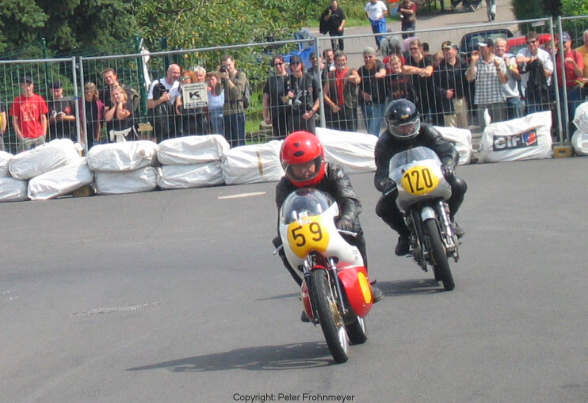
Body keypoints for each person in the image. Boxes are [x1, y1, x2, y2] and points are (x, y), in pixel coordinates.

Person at [274, 131, 383, 310]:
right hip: (303, 227)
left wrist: (346, 218)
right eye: (297, 167)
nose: (303, 170)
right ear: (287, 168)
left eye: (308, 164)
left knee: (355, 229)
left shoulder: (333, 172)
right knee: (280, 244)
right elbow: (282, 217)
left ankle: (365, 280)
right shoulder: (284, 186)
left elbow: (350, 199)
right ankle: (309, 290)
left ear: (318, 160)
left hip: (335, 221)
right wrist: (283, 237)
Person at [374, 99, 467, 256]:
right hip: (403, 183)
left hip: (433, 176)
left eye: (410, 125)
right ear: (391, 127)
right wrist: (385, 184)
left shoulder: (427, 131)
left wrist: (448, 164)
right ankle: (404, 235)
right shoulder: (384, 143)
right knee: (382, 207)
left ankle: (450, 219)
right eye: (401, 128)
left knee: (459, 184)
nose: (406, 130)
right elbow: (381, 173)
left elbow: (447, 150)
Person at [466, 39, 508, 132]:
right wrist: (472, 62)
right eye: (480, 47)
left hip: (497, 100)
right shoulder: (477, 62)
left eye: (483, 47)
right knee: (484, 131)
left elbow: (504, 80)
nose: (480, 49)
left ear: (490, 48)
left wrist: (498, 67)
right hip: (482, 102)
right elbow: (469, 78)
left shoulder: (499, 61)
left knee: (499, 129)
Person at [433, 41, 470, 128]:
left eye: (448, 49)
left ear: (455, 51)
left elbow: (470, 79)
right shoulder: (439, 68)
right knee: (452, 130)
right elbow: (434, 87)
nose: (446, 52)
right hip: (448, 102)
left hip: (462, 100)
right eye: (444, 50)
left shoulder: (463, 64)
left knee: (464, 128)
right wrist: (444, 93)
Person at [554, 32, 584, 139]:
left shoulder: (576, 55)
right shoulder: (556, 56)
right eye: (560, 43)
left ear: (570, 42)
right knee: (563, 116)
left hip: (574, 90)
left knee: (575, 116)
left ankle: (578, 138)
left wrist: (573, 63)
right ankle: (566, 137)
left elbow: (580, 73)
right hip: (561, 90)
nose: (563, 45)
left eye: (565, 42)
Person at [516, 31, 554, 115]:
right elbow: (518, 60)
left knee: (544, 114)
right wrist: (531, 60)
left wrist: (539, 65)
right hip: (529, 89)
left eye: (533, 41)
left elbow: (549, 72)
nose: (531, 44)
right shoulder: (523, 51)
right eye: (528, 42)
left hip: (543, 89)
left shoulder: (545, 54)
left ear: (538, 42)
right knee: (531, 115)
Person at [323, 51, 361, 132]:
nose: (341, 62)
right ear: (335, 61)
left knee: (352, 132)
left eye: (343, 60)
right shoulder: (330, 75)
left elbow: (358, 79)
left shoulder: (351, 71)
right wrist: (332, 105)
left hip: (350, 107)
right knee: (339, 133)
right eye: (339, 60)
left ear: (346, 60)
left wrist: (349, 78)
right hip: (337, 108)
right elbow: (324, 94)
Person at [9, 76, 48, 153]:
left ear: (33, 85)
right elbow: (14, 120)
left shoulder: (39, 99)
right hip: (25, 137)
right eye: (24, 85)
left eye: (29, 85)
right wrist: (20, 136)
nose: (27, 88)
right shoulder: (17, 101)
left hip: (39, 135)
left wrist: (44, 134)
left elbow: (43, 118)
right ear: (21, 86)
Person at [403, 39, 437, 125]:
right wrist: (421, 71)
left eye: (415, 48)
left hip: (430, 91)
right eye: (411, 49)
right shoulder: (409, 59)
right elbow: (404, 70)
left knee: (435, 119)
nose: (413, 51)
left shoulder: (427, 59)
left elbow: (429, 72)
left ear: (420, 49)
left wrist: (414, 70)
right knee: (419, 120)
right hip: (417, 93)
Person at [285, 55, 320, 134]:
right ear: (290, 66)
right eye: (293, 63)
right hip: (293, 115)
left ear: (301, 64)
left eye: (297, 63)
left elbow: (319, 98)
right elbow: (283, 99)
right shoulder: (287, 80)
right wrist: (288, 96)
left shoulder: (310, 78)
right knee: (296, 139)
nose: (295, 65)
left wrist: (312, 112)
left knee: (310, 137)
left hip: (308, 113)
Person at [219, 55, 248, 147]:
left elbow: (237, 93)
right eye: (225, 66)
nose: (227, 68)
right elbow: (217, 92)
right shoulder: (223, 77)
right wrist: (219, 77)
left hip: (237, 111)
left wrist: (227, 79)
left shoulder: (240, 75)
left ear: (233, 62)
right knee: (228, 142)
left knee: (239, 141)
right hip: (226, 112)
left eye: (229, 65)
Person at [147, 64, 182, 141]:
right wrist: (161, 99)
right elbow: (148, 104)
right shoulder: (156, 84)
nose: (176, 75)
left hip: (174, 121)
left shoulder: (179, 85)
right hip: (160, 122)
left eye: (178, 73)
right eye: (174, 72)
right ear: (168, 72)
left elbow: (178, 103)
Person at [358, 47, 387, 136]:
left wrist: (381, 74)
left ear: (375, 56)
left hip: (378, 102)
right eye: (366, 57)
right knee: (370, 129)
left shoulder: (379, 65)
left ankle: (374, 147)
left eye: (370, 57)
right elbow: (358, 86)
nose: (368, 59)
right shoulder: (361, 70)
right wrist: (362, 94)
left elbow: (383, 71)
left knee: (372, 130)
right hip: (366, 104)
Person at [494, 37, 523, 120]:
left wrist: (509, 66)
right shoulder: (492, 60)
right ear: (493, 48)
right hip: (498, 98)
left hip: (512, 96)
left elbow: (518, 76)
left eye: (502, 46)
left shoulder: (511, 58)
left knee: (516, 124)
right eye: (497, 46)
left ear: (506, 48)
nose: (500, 48)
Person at [176, 68, 209, 136]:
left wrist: (183, 107)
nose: (183, 80)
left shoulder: (200, 89)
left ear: (191, 79)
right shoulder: (180, 91)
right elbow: (178, 110)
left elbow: (198, 107)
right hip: (185, 122)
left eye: (185, 78)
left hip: (198, 121)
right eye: (182, 78)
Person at [263, 55, 290, 139]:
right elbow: (265, 99)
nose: (278, 66)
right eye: (276, 64)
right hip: (277, 115)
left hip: (291, 114)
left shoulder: (291, 78)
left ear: (284, 64)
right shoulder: (271, 81)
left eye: (280, 63)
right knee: (280, 140)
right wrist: (266, 115)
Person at [82, 82, 105, 149]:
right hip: (84, 129)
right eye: (87, 92)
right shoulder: (80, 103)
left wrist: (98, 136)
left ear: (94, 92)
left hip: (95, 129)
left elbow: (100, 122)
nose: (89, 94)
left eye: (91, 92)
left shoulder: (99, 104)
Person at [575, 29, 588, 93]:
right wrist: (580, 81)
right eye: (586, 38)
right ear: (583, 39)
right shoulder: (577, 52)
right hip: (583, 85)